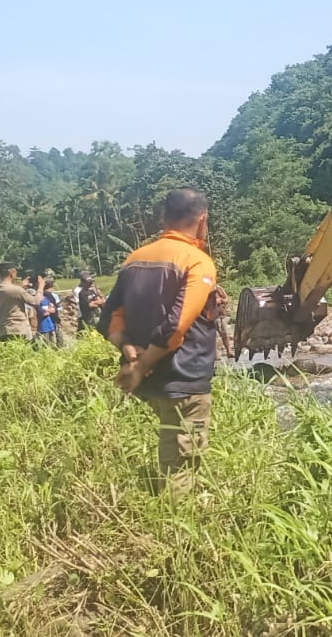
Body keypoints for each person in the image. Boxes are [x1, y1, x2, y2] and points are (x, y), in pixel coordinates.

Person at [99, 189, 219, 491]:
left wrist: (131, 353)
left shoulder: (134, 258)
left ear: (164, 218)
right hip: (183, 377)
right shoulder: (197, 261)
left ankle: (169, 504)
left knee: (172, 447)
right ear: (202, 219)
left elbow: (109, 319)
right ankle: (176, 518)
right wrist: (142, 365)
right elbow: (176, 326)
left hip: (153, 383)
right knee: (182, 464)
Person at [0, 263, 36, 342]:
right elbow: (35, 301)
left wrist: (21, 286)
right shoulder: (16, 290)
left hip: (3, 329)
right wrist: (41, 286)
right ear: (12, 272)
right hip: (17, 329)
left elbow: (10, 293)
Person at [37, 277, 62, 347]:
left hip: (46, 320)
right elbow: (57, 309)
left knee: (49, 339)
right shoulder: (52, 295)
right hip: (50, 319)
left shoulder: (42, 295)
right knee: (53, 337)